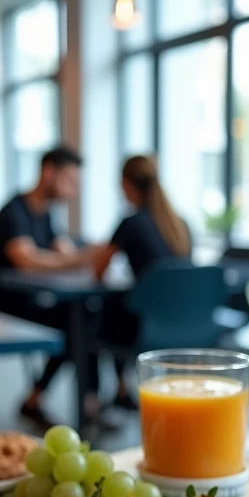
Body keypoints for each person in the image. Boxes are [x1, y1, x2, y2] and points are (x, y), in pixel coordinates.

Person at [0, 146, 105, 430]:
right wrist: (82, 258)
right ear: (48, 172)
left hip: (37, 301)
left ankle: (64, 400)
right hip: (6, 307)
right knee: (76, 323)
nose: (73, 191)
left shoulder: (48, 214)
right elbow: (27, 260)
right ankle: (86, 403)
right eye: (69, 181)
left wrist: (84, 256)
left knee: (87, 316)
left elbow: (62, 250)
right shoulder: (13, 211)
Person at [95, 155, 191, 410]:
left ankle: (92, 404)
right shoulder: (180, 224)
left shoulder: (131, 222)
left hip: (146, 327)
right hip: (185, 323)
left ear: (126, 184)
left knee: (91, 321)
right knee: (118, 308)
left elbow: (99, 270)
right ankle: (121, 390)